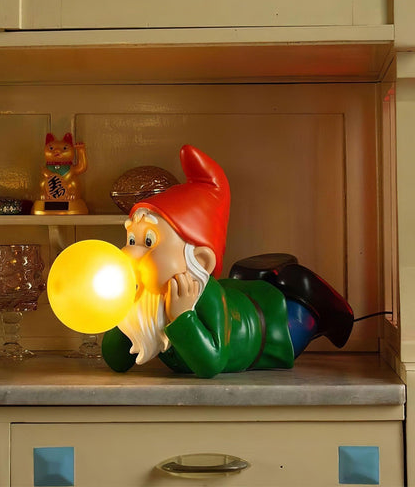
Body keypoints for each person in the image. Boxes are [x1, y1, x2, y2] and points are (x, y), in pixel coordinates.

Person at [102, 145, 354, 378]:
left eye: (148, 242)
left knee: (297, 324)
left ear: (199, 260)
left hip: (267, 330)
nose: (129, 252)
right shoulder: (145, 300)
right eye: (131, 240)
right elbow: (116, 361)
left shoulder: (206, 296)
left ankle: (311, 295)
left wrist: (183, 317)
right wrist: (123, 309)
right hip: (239, 300)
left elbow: (211, 364)